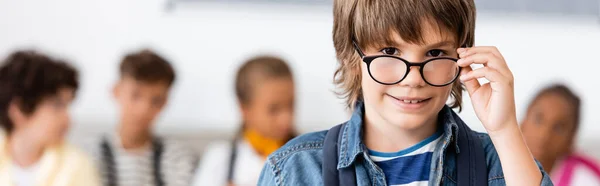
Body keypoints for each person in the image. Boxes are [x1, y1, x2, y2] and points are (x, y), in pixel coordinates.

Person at [258, 0, 553, 185]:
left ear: (462, 58)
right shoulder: (293, 170)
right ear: (352, 55)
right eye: (389, 50)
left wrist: (504, 130)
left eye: (435, 52)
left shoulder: (498, 164)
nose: (413, 78)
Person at [87, 49, 196, 186]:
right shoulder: (88, 154)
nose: (143, 109)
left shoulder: (177, 157)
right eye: (135, 95)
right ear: (116, 91)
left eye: (156, 100)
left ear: (165, 103)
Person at [0, 50, 100, 186]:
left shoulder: (77, 165)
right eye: (57, 106)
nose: (68, 119)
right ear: (19, 110)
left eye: (67, 106)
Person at [193, 56, 296, 186]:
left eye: (291, 104)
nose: (286, 119)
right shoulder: (219, 159)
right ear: (244, 108)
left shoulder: (312, 156)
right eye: (273, 109)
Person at [521, 84, 600, 185]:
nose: (544, 134)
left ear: (571, 139)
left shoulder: (584, 181)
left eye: (558, 128)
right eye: (538, 119)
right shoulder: (497, 166)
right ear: (523, 122)